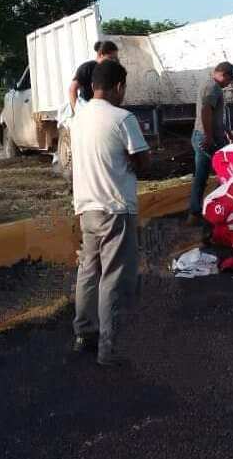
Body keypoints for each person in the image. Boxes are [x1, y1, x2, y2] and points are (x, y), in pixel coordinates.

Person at [70, 59, 151, 367]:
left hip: (86, 207)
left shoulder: (78, 118)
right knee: (115, 278)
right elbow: (143, 161)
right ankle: (111, 348)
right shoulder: (122, 118)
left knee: (88, 272)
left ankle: (84, 334)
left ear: (93, 86)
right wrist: (137, 160)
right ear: (119, 87)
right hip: (115, 207)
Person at [187, 61, 233, 226]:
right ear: (224, 75)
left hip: (206, 136)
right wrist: (209, 136)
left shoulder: (210, 86)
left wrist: (228, 132)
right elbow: (206, 111)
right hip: (207, 138)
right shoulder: (213, 88)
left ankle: (197, 213)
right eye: (230, 80)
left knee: (203, 175)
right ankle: (215, 210)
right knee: (224, 172)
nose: (229, 84)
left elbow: (216, 116)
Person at [69, 40, 119, 111]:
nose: (113, 61)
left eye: (115, 59)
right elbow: (72, 89)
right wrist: (77, 113)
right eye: (111, 58)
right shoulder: (87, 67)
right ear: (101, 54)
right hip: (87, 110)